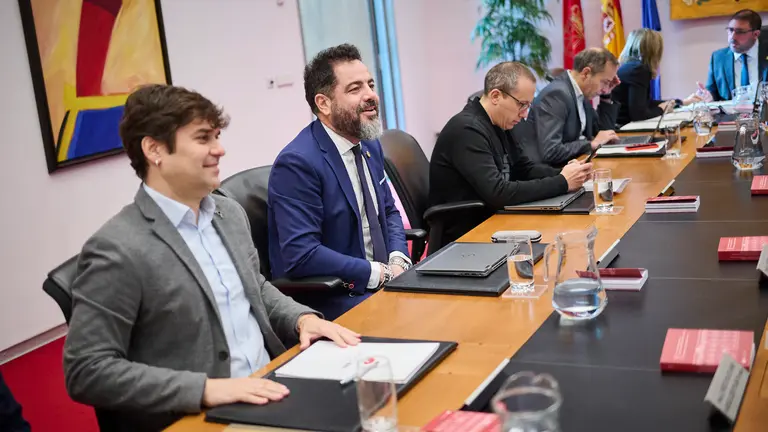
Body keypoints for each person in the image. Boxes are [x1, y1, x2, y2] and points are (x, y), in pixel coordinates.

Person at [64, 84, 361, 432]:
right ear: (154, 149)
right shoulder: (117, 248)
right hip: (207, 415)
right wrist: (206, 389)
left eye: (217, 136)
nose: (220, 150)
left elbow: (255, 287)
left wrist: (301, 320)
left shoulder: (228, 213)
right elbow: (87, 369)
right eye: (203, 138)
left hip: (274, 385)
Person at [268, 44, 410, 320]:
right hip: (337, 295)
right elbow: (302, 254)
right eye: (355, 89)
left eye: (370, 84)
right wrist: (377, 274)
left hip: (385, 282)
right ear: (323, 103)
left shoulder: (369, 144)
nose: (371, 96)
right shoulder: (298, 163)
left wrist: (397, 259)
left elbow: (389, 210)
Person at [429, 61, 593, 244]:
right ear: (496, 96)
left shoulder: (500, 122)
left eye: (528, 106)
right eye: (522, 105)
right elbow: (498, 193)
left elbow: (523, 169)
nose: (524, 114)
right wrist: (562, 182)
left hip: (495, 221)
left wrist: (566, 173)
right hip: (467, 236)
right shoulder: (466, 130)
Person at [525, 48, 622, 167]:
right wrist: (590, 144)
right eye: (604, 82)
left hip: (575, 164)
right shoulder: (557, 95)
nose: (605, 87)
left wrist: (606, 95)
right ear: (586, 73)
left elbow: (604, 132)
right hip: (551, 173)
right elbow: (550, 151)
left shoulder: (581, 92)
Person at [613, 29, 701, 126]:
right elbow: (639, 115)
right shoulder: (639, 70)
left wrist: (680, 102)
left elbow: (645, 103)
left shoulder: (629, 67)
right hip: (624, 130)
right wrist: (662, 109)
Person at [705, 9, 767, 101]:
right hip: (731, 114)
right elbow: (712, 94)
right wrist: (706, 96)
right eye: (730, 30)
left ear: (755, 34)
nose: (732, 37)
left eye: (740, 32)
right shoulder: (718, 58)